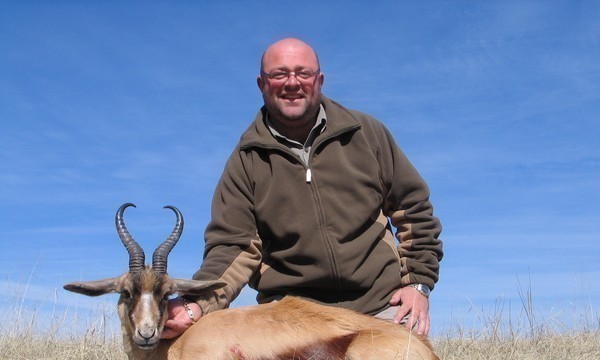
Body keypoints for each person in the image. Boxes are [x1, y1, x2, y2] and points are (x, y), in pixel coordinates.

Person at [162, 38, 442, 339]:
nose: (292, 83)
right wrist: (195, 304)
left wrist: (417, 284)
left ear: (319, 80)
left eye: (303, 73)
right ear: (262, 83)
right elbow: (232, 246)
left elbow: (413, 210)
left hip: (380, 304)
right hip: (291, 317)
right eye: (279, 74)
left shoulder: (366, 133)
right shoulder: (245, 160)